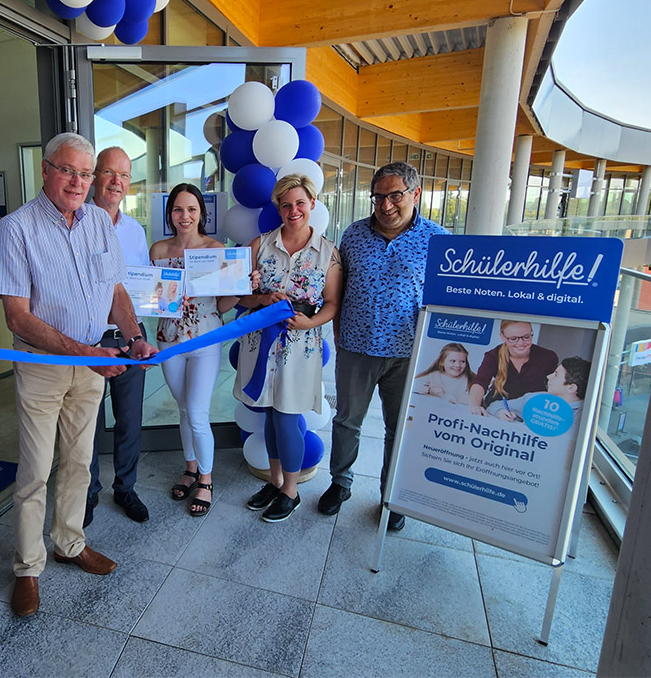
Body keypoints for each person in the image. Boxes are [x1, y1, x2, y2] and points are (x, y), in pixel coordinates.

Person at [0, 132, 158, 617]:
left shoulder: (99, 225)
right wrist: (89, 352)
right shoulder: (16, 229)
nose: (78, 182)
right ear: (46, 171)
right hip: (44, 369)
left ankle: (69, 542)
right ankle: (27, 568)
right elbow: (17, 318)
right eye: (68, 171)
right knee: (35, 471)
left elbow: (116, 292)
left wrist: (135, 335)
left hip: (92, 363)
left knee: (80, 464)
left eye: (86, 174)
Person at [320, 161, 450, 531]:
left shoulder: (438, 240)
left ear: (416, 194)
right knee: (347, 421)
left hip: (408, 354)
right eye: (379, 197)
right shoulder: (353, 235)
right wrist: (339, 335)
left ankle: (390, 496)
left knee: (399, 428)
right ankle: (340, 483)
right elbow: (338, 288)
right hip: (356, 348)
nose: (386, 205)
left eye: (395, 195)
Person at [234, 174, 341, 522]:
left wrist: (310, 323)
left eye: (300, 203)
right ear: (278, 208)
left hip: (300, 347)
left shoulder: (329, 253)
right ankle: (276, 482)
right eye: (286, 204)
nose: (293, 210)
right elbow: (240, 297)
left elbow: (332, 304)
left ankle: (291, 492)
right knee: (268, 411)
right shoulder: (258, 245)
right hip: (261, 344)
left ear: (312, 204)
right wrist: (264, 297)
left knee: (286, 415)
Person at [151, 183, 252, 517]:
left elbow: (221, 304)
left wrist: (241, 288)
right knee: (183, 410)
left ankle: (206, 480)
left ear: (201, 214)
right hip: (169, 341)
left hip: (205, 340)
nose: (185, 216)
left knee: (196, 412)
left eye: (191, 209)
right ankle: (190, 467)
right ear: (170, 215)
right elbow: (158, 302)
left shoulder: (215, 248)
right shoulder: (159, 250)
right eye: (178, 209)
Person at [85, 147, 152, 527]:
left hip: (130, 338)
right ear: (95, 176)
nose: (117, 182)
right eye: (109, 173)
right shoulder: (76, 222)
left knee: (130, 419)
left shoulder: (134, 230)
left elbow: (140, 285)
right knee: (88, 423)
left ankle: (125, 487)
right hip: (90, 340)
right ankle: (89, 491)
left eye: (124, 176)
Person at [468, 320, 559, 415]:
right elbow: (480, 382)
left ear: (532, 333)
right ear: (502, 337)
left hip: (533, 412)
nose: (520, 343)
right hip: (498, 410)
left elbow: (556, 388)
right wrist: (475, 405)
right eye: (513, 338)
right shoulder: (493, 356)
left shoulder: (548, 357)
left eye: (526, 337)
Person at [487, 356, 590, 422]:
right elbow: (495, 405)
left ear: (571, 388)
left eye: (556, 375)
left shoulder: (584, 418)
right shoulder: (537, 398)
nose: (549, 376)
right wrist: (500, 412)